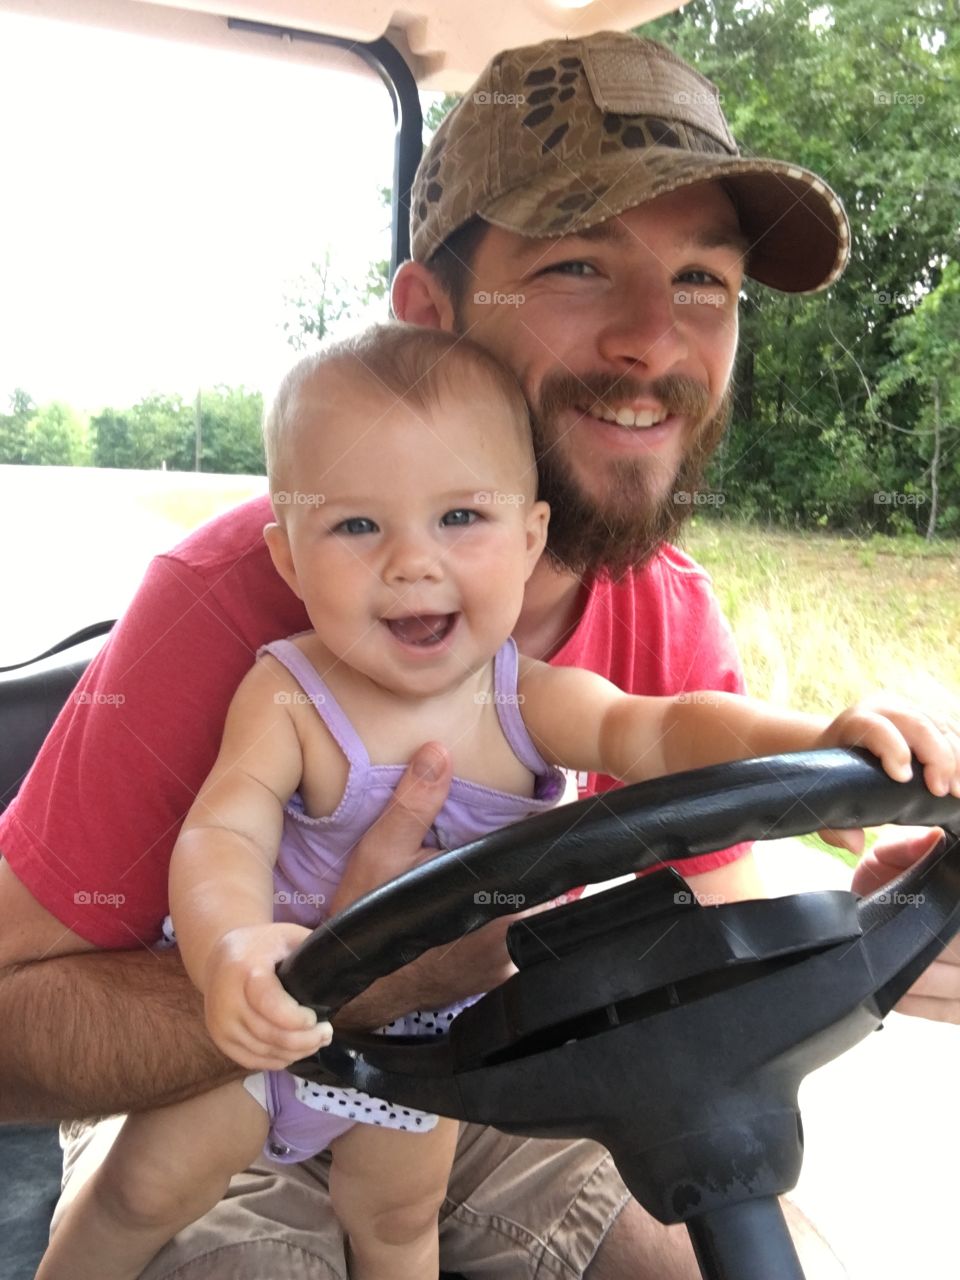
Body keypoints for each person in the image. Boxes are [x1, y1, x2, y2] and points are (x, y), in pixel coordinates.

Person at [1, 29, 957, 1280]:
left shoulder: (658, 607)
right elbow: (12, 1033)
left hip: (492, 1071)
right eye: (576, 266)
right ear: (430, 311)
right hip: (231, 1097)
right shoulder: (230, 611)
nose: (654, 342)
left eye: (704, 283)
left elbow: (703, 852)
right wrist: (343, 976)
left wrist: (883, 904)